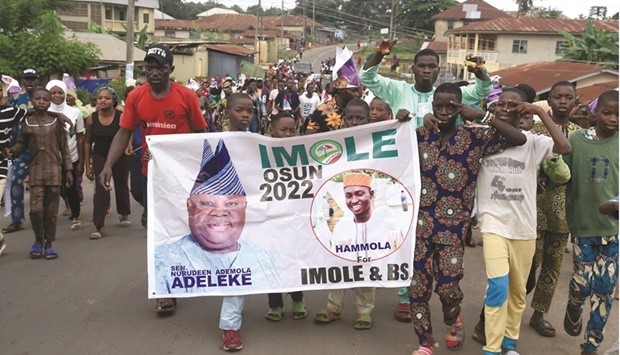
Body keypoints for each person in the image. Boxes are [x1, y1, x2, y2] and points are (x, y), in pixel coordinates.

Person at [402, 82, 526, 355]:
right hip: (418, 227)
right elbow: (388, 145)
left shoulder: (476, 137)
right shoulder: (419, 135)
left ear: (460, 107)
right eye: (439, 106)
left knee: (448, 288)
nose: (444, 111)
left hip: (454, 228)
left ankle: (452, 318)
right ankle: (424, 343)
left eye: (452, 106)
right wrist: (402, 118)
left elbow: (519, 138)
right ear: (431, 106)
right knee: (418, 287)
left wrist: (483, 115)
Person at [97, 44, 207, 313]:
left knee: (173, 232)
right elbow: (124, 133)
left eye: (161, 67)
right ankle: (167, 281)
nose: (155, 72)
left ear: (171, 70)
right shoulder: (136, 96)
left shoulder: (186, 97)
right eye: (150, 67)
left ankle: (168, 288)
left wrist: (200, 169)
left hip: (180, 177)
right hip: (150, 174)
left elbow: (201, 133)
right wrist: (107, 165)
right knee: (159, 233)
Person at [474, 88, 572, 355]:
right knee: (497, 288)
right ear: (493, 109)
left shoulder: (534, 141)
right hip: (493, 224)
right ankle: (491, 349)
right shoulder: (481, 138)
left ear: (523, 110)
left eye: (513, 105)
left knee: (518, 292)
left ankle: (509, 343)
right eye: (500, 103)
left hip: (524, 227)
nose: (506, 108)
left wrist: (541, 111)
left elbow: (565, 147)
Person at [154, 138, 279, 293]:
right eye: (207, 203)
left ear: (245, 207)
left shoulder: (267, 259)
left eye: (231, 204)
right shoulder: (161, 262)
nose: (219, 212)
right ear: (190, 206)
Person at [563, 90, 618, 355]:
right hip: (583, 226)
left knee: (605, 290)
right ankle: (574, 304)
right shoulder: (577, 140)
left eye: (619, 115)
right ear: (595, 112)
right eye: (607, 112)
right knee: (582, 284)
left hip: (613, 230)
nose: (613, 119)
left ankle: (591, 346)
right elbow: (561, 173)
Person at [528, 81, 581, 337]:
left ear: (575, 101)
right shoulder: (536, 128)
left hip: (564, 215)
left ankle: (539, 315)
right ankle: (506, 307)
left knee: (552, 268)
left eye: (568, 97)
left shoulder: (581, 135)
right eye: (557, 96)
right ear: (549, 100)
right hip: (533, 210)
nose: (562, 101)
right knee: (528, 267)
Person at [2, 87, 73, 260]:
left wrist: (69, 170)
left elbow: (64, 148)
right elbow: (22, 144)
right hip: (35, 172)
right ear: (32, 101)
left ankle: (49, 244)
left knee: (51, 212)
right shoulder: (26, 122)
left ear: (50, 103)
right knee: (35, 211)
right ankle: (37, 239)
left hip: (55, 172)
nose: (41, 102)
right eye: (37, 99)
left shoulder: (56, 123)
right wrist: (13, 151)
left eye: (45, 99)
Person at [360, 40, 491, 127]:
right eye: (422, 66)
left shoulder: (447, 95)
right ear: (413, 69)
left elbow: (482, 91)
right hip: (406, 158)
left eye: (432, 66)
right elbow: (366, 78)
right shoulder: (398, 90)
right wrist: (379, 54)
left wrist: (479, 72)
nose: (426, 70)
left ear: (438, 70)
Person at [264, 112, 307, 322]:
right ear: (272, 130)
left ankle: (298, 299)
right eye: (283, 130)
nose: (288, 134)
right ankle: (275, 304)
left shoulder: (301, 152)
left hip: (295, 218)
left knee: (295, 259)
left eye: (292, 130)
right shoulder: (259, 150)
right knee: (272, 261)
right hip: (270, 219)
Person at [84, 86, 131, 239]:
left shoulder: (121, 116)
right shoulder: (92, 118)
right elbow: (87, 142)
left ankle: (124, 213)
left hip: (119, 155)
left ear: (113, 100)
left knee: (121, 183)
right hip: (100, 155)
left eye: (107, 98)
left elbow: (127, 133)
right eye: (100, 98)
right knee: (101, 186)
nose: (103, 100)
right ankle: (99, 225)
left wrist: (128, 146)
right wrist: (87, 165)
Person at [2, 69, 39, 234]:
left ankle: (46, 215)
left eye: (32, 79)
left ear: (37, 80)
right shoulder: (16, 99)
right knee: (16, 182)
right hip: (21, 149)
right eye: (27, 79)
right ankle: (17, 220)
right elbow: (9, 122)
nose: (30, 82)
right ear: (23, 80)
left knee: (46, 185)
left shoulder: (43, 98)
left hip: (42, 149)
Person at [46, 80, 84, 232]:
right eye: (53, 92)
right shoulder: (43, 112)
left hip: (71, 157)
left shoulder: (75, 113)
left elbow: (80, 137)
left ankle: (76, 215)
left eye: (60, 92)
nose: (57, 95)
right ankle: (49, 218)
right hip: (50, 158)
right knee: (54, 189)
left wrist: (81, 161)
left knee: (71, 188)